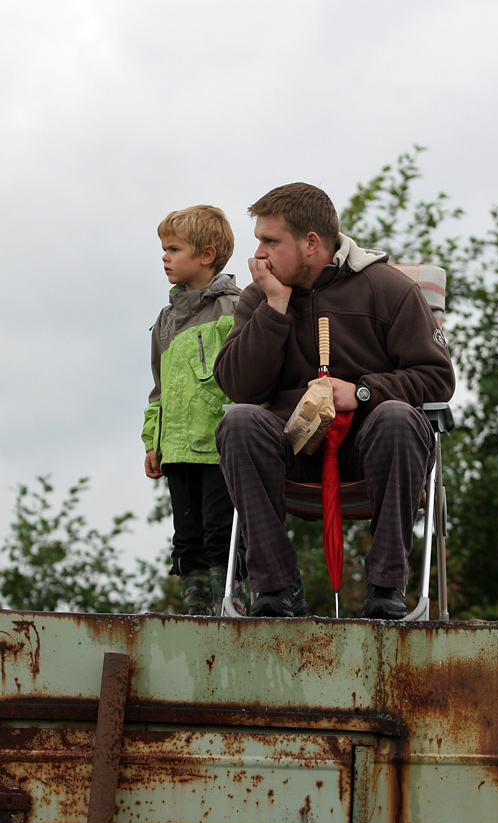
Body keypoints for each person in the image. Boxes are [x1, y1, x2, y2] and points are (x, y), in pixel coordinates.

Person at [213, 183, 455, 619]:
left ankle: (386, 587)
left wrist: (363, 392)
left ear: (311, 243)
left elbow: (437, 378)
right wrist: (275, 307)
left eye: (271, 241)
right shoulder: (260, 296)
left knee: (397, 417)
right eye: (258, 241)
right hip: (294, 448)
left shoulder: (389, 289)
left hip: (370, 451)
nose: (259, 255)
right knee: (239, 422)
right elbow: (238, 387)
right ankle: (277, 588)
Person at [142, 204, 245, 616]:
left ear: (206, 255)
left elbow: (248, 377)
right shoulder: (165, 321)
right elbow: (158, 390)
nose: (164, 257)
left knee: (222, 534)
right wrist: (152, 440)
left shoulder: (236, 308)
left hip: (218, 448)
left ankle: (231, 610)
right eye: (164, 249)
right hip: (177, 450)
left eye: (173, 249)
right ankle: (196, 617)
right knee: (186, 540)